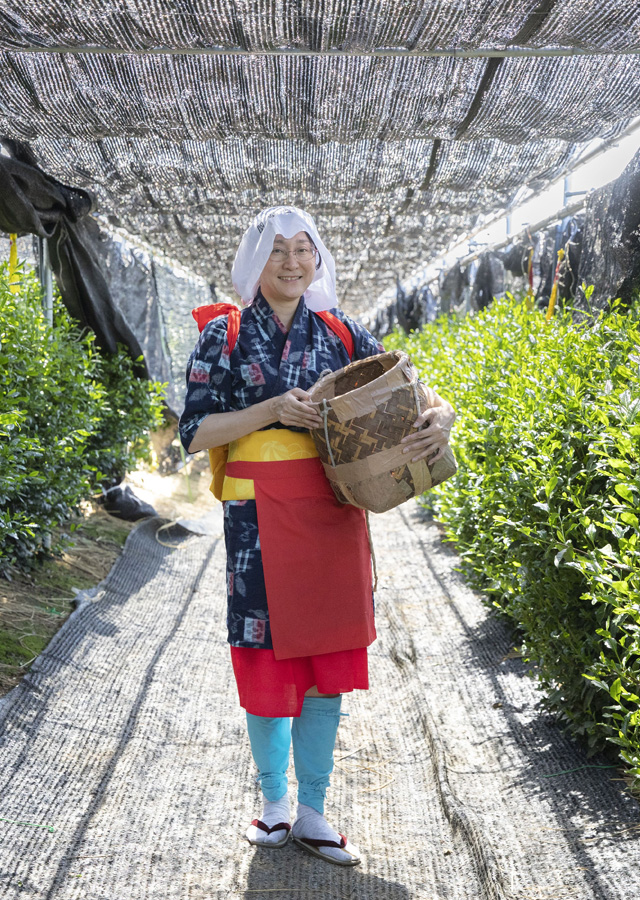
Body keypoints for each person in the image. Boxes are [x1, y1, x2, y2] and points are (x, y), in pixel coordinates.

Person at [179, 206, 454, 867]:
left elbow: (420, 397)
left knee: (326, 662)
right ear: (255, 263)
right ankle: (273, 804)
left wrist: (441, 419)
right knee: (267, 656)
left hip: (333, 512)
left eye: (305, 250)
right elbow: (193, 431)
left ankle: (314, 811)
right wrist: (270, 410)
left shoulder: (340, 332)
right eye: (279, 251)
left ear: (318, 259)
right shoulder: (226, 335)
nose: (294, 262)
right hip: (256, 522)